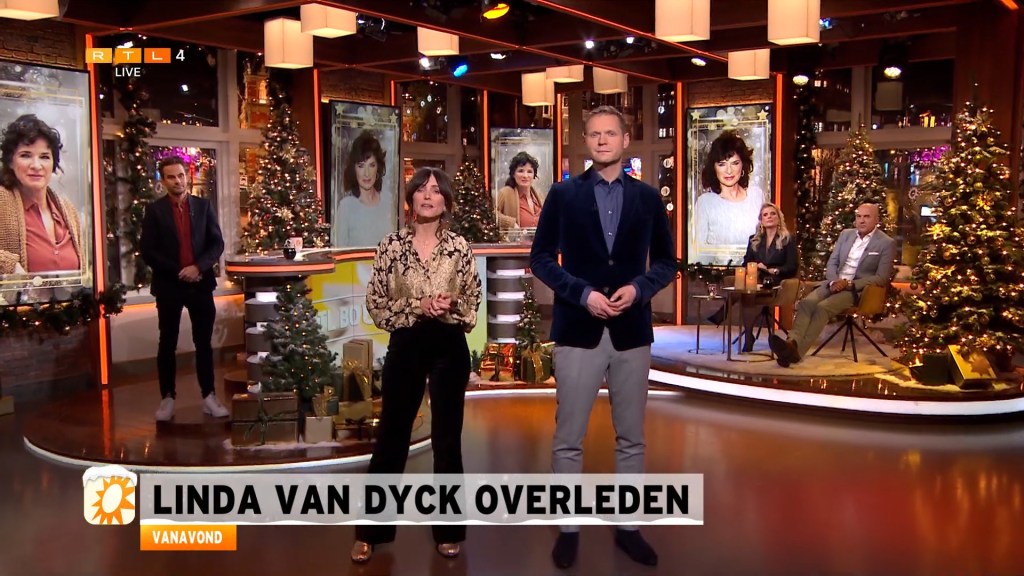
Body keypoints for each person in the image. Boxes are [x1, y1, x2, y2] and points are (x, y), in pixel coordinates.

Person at [530, 105, 675, 569]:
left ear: (625, 140)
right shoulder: (563, 194)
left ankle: (628, 526)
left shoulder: (648, 198)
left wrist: (639, 289)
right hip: (579, 329)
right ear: (586, 141)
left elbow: (667, 262)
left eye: (610, 133)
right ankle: (568, 528)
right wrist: (582, 293)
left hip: (631, 332)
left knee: (631, 436)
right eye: (594, 134)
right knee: (568, 436)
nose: (602, 141)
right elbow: (541, 259)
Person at [351, 167, 481, 563]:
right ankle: (371, 532)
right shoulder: (391, 246)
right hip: (406, 345)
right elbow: (376, 304)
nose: (428, 196)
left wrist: (451, 304)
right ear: (410, 199)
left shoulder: (459, 247)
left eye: (436, 191)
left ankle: (449, 530)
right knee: (392, 437)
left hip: (448, 346)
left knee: (447, 441)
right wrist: (417, 305)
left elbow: (472, 304)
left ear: (445, 201)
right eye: (421, 190)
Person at [141, 156, 229, 421]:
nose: (177, 181)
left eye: (180, 175)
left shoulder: (203, 206)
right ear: (163, 180)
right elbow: (148, 251)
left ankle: (209, 396)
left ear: (187, 176)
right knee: (167, 342)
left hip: (200, 283)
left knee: (203, 342)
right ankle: (167, 398)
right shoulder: (154, 211)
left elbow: (217, 243)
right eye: (171, 177)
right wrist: (180, 271)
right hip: (169, 285)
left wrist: (198, 268)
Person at [769, 203, 895, 367]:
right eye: (859, 216)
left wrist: (849, 284)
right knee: (806, 303)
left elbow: (881, 278)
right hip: (833, 283)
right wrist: (834, 280)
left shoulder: (886, 243)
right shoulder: (846, 235)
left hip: (855, 290)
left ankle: (796, 352)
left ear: (877, 220)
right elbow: (832, 263)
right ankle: (791, 343)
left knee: (823, 308)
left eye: (867, 217)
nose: (862, 220)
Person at [0, 114, 83, 277]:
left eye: (44, 157)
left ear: (53, 163)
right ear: (10, 161)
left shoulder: (68, 210)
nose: (36, 165)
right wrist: (9, 266)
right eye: (25, 155)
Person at [693, 131, 764, 263]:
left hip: (755, 272)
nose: (729, 171)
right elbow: (698, 254)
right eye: (722, 164)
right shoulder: (705, 203)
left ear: (743, 165)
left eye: (735, 163)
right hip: (717, 274)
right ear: (714, 168)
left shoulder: (756, 196)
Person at [335, 131, 394, 247]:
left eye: (371, 165)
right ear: (354, 169)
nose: (367, 173)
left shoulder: (388, 202)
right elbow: (339, 252)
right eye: (361, 166)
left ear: (378, 168)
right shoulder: (346, 207)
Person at [495, 151, 545, 230]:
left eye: (529, 172)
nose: (525, 175)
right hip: (515, 238)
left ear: (534, 175)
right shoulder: (505, 193)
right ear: (513, 174)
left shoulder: (539, 196)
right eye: (521, 171)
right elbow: (491, 215)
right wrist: (511, 223)